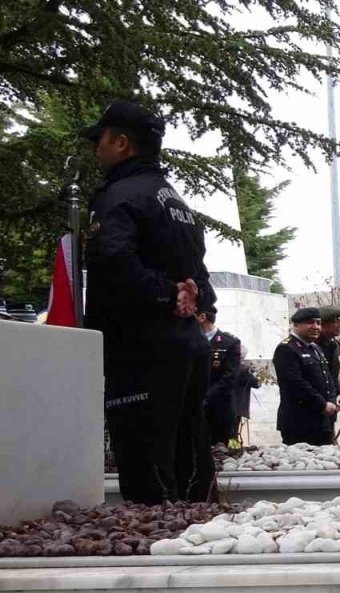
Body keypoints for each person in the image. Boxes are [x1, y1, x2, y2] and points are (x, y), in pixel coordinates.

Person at [80, 99, 215, 504]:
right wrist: (189, 296)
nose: (95, 148)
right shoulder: (175, 202)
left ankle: (157, 545)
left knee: (146, 462)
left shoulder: (119, 195)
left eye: (100, 139)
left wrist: (165, 293)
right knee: (188, 453)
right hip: (186, 343)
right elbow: (201, 279)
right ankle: (198, 534)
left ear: (121, 143)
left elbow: (111, 258)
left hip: (140, 346)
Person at [274, 307, 340, 446]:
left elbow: (328, 379)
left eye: (318, 323)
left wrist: (332, 401)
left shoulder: (314, 348)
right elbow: (296, 384)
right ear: (296, 325)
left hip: (322, 421)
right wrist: (322, 405)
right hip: (299, 423)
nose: (316, 327)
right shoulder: (287, 348)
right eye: (310, 323)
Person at [195, 306, 243, 445]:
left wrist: (205, 398)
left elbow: (229, 377)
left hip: (220, 410)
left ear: (202, 317)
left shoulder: (230, 343)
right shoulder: (189, 341)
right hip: (193, 410)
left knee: (223, 453)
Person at [317, 305, 340, 398]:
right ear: (323, 324)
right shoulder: (312, 347)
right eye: (336, 322)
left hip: (330, 401)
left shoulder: (333, 345)